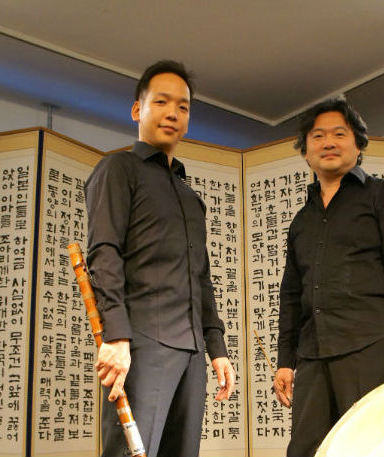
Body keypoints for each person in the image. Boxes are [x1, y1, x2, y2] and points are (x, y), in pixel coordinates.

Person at [85, 60, 235, 457]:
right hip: (143, 343)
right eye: (162, 102)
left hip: (192, 351)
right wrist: (116, 336)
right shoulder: (118, 169)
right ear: (138, 109)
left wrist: (217, 348)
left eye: (183, 107)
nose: (173, 113)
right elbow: (104, 252)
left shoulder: (191, 198)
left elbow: (201, 279)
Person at [273, 98, 384, 457]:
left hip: (370, 347)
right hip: (312, 355)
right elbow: (291, 295)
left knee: (370, 448)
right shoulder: (301, 220)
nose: (328, 142)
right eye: (318, 136)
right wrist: (285, 360)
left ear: (359, 145)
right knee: (306, 450)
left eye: (339, 134)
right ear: (306, 152)